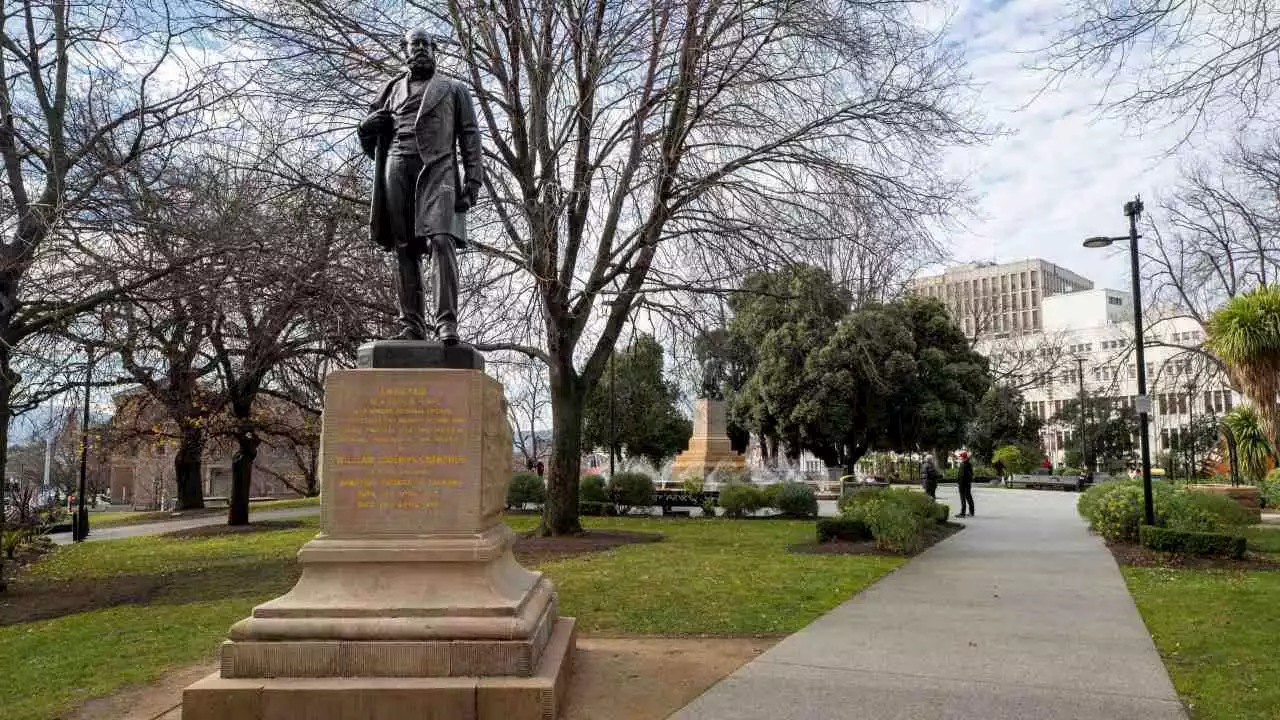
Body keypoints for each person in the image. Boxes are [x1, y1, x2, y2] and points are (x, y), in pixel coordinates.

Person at [358, 27, 484, 345]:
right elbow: (370, 137)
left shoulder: (454, 89)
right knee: (404, 247)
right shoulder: (389, 90)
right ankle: (412, 326)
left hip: (438, 169)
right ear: (405, 49)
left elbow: (470, 135)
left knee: (442, 240)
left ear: (435, 49)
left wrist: (473, 179)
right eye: (416, 44)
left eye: (427, 44)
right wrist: (364, 128)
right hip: (397, 166)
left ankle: (446, 324)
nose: (422, 50)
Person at [957, 452, 975, 518]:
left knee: (963, 498)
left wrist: (959, 483)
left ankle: (962, 513)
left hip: (963, 485)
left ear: (963, 457)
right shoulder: (969, 464)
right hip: (967, 484)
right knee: (969, 497)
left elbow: (961, 476)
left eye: (961, 457)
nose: (960, 458)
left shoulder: (963, 464)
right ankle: (971, 512)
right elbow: (971, 474)